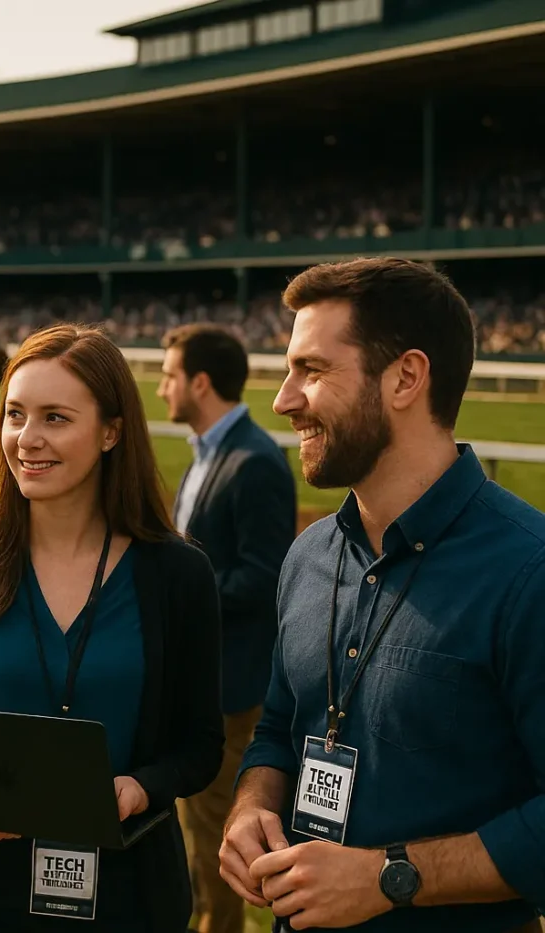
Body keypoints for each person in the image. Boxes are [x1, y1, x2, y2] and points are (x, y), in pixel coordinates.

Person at [220, 258, 545, 932]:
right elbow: (279, 729)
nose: (283, 399)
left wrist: (389, 877)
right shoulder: (307, 555)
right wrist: (253, 803)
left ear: (405, 377)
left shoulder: (528, 569)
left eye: (311, 369)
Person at [0, 323, 224, 932]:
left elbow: (200, 746)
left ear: (111, 431)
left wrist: (140, 787)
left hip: (130, 901)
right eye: (15, 414)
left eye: (55, 418)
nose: (27, 439)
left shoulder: (178, 575)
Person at [158, 323, 296, 933]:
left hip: (232, 689)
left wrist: (178, 592)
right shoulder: (209, 454)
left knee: (218, 839)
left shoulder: (254, 461)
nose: (161, 388)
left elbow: (264, 578)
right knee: (195, 833)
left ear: (200, 382)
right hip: (200, 682)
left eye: (168, 376)